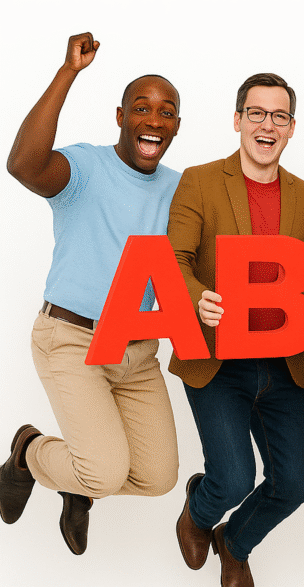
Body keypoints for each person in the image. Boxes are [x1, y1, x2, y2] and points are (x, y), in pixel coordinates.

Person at [0, 32, 181, 556]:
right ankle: (30, 453)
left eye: (166, 112)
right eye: (142, 108)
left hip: (138, 349)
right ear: (121, 115)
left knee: (159, 477)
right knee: (102, 471)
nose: (154, 119)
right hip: (73, 339)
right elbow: (23, 165)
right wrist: (68, 72)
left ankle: (78, 480)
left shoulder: (177, 187)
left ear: (175, 126)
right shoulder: (85, 167)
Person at [168, 73, 304, 587]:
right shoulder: (201, 179)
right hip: (215, 358)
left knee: (296, 483)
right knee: (233, 478)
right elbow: (174, 258)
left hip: (280, 363)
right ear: (238, 121)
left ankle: (235, 543)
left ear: (292, 128)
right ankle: (198, 511)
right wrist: (197, 298)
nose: (267, 125)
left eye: (279, 116)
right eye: (256, 113)